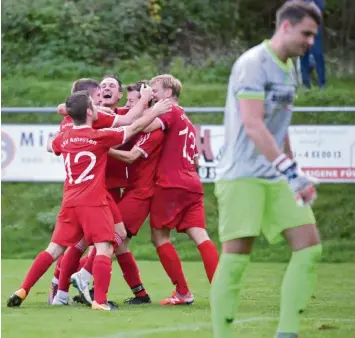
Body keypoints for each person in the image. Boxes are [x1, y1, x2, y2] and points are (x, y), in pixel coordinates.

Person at [210, 1, 322, 337]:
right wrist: (289, 170)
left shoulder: (290, 68)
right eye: (306, 34)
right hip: (241, 175)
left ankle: (287, 333)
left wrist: (294, 172)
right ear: (285, 27)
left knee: (310, 248)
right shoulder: (253, 64)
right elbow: (253, 123)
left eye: (314, 36)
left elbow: (278, 127)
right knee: (237, 257)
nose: (310, 42)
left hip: (275, 176)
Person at [7, 91, 171, 310]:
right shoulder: (99, 136)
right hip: (93, 201)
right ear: (89, 112)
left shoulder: (64, 137)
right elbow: (132, 128)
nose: (97, 107)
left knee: (53, 249)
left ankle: (23, 289)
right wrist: (156, 112)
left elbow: (50, 145)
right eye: (94, 105)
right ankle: (100, 301)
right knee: (104, 247)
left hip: (69, 202)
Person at [144, 74, 219, 305]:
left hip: (171, 182)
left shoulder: (169, 111)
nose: (151, 93)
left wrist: (142, 108)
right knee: (200, 235)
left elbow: (144, 126)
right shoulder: (185, 118)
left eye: (154, 89)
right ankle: (222, 291)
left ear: (168, 93)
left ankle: (183, 292)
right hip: (192, 183)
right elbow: (196, 160)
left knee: (159, 236)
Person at [299, 0, 326, 88]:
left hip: (315, 27)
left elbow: (321, 6)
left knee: (318, 54)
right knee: (303, 54)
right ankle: (306, 84)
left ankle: (322, 84)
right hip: (301, 26)